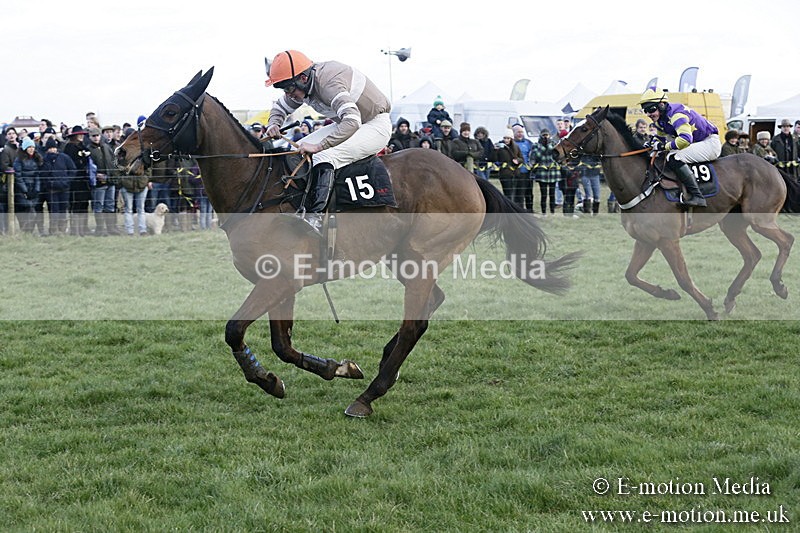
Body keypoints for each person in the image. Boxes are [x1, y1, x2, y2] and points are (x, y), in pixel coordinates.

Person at [264, 50, 391, 234]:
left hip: (374, 125)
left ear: (303, 79)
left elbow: (352, 121)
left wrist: (318, 146)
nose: (289, 95)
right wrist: (273, 124)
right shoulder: (303, 82)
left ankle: (315, 217)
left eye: (289, 89)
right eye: (284, 90)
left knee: (323, 154)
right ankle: (297, 205)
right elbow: (280, 108)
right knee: (297, 151)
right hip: (351, 123)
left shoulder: (328, 84)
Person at [638, 89, 721, 207]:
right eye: (645, 110)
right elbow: (661, 138)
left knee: (674, 157)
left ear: (662, 105)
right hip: (696, 142)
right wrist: (652, 144)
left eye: (651, 109)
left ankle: (697, 196)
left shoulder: (676, 115)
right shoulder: (660, 120)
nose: (649, 114)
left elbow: (685, 139)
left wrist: (662, 146)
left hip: (709, 143)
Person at [87, 127, 120, 235]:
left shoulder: (106, 147)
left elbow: (113, 163)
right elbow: (87, 167)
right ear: (90, 137)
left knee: (110, 205)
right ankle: (100, 229)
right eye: (93, 136)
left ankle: (111, 228)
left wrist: (113, 176)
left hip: (110, 180)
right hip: (98, 183)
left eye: (97, 135)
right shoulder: (88, 150)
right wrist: (95, 175)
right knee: (99, 206)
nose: (96, 138)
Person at [40, 137, 75, 235]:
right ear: (47, 149)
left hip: (64, 188)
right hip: (51, 190)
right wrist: (49, 183)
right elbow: (43, 174)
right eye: (50, 148)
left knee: (63, 209)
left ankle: (62, 229)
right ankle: (53, 229)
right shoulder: (44, 160)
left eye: (54, 148)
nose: (52, 150)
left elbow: (72, 170)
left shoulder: (64, 157)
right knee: (54, 209)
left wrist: (67, 181)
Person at [62, 125, 92, 235]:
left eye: (82, 134)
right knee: (75, 204)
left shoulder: (83, 146)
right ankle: (75, 229)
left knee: (84, 204)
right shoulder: (69, 147)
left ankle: (84, 228)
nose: (81, 136)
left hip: (84, 180)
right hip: (74, 181)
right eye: (78, 134)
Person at [12, 137, 42, 233]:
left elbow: (37, 175)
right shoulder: (19, 160)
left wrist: (36, 189)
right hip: (23, 190)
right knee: (25, 211)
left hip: (33, 188)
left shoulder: (36, 159)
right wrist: (25, 190)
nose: (31, 149)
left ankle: (29, 231)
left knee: (33, 211)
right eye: (29, 147)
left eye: (32, 147)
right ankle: (25, 231)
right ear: (24, 148)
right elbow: (18, 176)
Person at [530, 129, 561, 215]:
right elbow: (536, 156)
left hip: (553, 172)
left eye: (547, 135)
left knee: (552, 194)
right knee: (543, 194)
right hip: (542, 173)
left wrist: (549, 146)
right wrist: (543, 147)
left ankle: (552, 212)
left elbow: (556, 156)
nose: (545, 137)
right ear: (540, 135)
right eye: (544, 135)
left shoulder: (554, 144)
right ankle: (544, 212)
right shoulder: (536, 145)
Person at [494, 129, 522, 201]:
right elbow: (494, 158)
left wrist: (518, 160)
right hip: (505, 173)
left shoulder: (516, 146)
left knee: (514, 192)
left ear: (511, 138)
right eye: (505, 138)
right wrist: (495, 150)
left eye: (508, 138)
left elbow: (521, 158)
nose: (506, 140)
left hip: (515, 173)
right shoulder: (499, 146)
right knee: (507, 193)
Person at [512, 124, 534, 211]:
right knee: (519, 193)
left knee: (529, 192)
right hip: (516, 172)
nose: (520, 134)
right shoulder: (512, 143)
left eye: (521, 132)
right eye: (518, 132)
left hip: (527, 172)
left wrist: (532, 164)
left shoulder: (528, 143)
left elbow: (533, 154)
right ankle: (519, 209)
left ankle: (530, 209)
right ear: (514, 133)